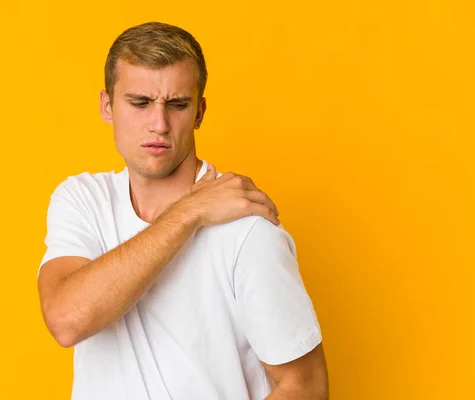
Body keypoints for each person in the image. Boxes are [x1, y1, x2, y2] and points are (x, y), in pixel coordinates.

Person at [37, 21, 328, 400]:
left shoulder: (246, 227)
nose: (159, 124)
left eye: (177, 105)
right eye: (140, 103)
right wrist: (190, 212)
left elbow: (305, 385)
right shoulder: (83, 200)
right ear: (107, 107)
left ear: (200, 112)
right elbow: (66, 319)